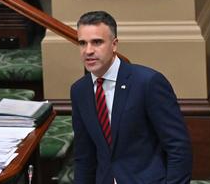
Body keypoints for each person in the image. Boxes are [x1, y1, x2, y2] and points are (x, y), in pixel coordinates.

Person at [70, 10, 192, 183]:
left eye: (97, 42)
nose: (88, 50)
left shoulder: (147, 82)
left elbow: (178, 146)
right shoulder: (79, 90)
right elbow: (84, 156)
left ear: (114, 44)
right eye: (82, 43)